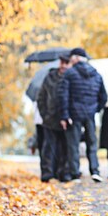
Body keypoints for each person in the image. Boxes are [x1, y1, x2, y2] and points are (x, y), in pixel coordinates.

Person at [58, 47, 107, 182]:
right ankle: (95, 171)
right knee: (92, 143)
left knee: (73, 145)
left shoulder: (69, 74)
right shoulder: (96, 74)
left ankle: (75, 174)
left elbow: (63, 96)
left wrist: (64, 116)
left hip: (73, 115)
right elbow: (104, 97)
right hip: (90, 114)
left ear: (76, 58)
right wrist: (95, 109)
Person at [37, 54, 71, 182]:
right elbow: (41, 97)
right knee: (48, 148)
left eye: (66, 63)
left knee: (65, 148)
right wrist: (44, 114)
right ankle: (47, 174)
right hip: (50, 118)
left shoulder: (71, 77)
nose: (63, 66)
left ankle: (63, 174)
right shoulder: (49, 77)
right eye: (62, 62)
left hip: (66, 119)